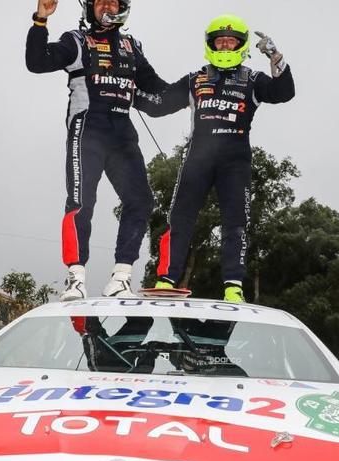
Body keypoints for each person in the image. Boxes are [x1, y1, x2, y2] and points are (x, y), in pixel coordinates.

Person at [135, 14, 295, 302]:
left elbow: (285, 93)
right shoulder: (196, 79)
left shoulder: (253, 79)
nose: (224, 47)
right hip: (198, 158)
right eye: (219, 41)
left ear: (241, 45)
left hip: (235, 161)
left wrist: (275, 57)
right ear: (211, 44)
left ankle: (233, 285)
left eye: (230, 42)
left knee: (236, 221)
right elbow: (158, 105)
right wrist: (127, 92)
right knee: (179, 218)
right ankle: (167, 280)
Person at [26, 0, 168, 301]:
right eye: (100, 0)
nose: (106, 5)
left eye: (113, 0)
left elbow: (157, 88)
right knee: (80, 201)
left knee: (141, 200)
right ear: (89, 7)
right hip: (87, 130)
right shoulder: (76, 41)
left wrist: (194, 90)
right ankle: (75, 278)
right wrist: (40, 20)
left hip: (122, 136)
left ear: (123, 7)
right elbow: (36, 62)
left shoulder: (132, 46)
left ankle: (121, 277)